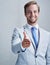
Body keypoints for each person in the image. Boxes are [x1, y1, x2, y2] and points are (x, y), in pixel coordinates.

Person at [11, 1, 50, 65]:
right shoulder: (18, 31)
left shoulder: (47, 35)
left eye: (35, 11)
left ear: (38, 13)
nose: (32, 14)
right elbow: (14, 49)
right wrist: (22, 45)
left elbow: (48, 58)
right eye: (29, 12)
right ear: (25, 14)